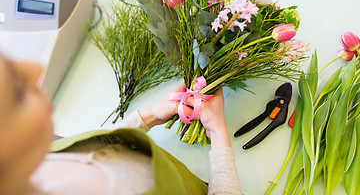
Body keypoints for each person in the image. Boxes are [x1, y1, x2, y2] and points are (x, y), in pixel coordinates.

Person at [0, 54, 242, 195]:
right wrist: (218, 132)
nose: (36, 67)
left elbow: (99, 149)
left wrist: (148, 116)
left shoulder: (38, 160)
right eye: (18, 92)